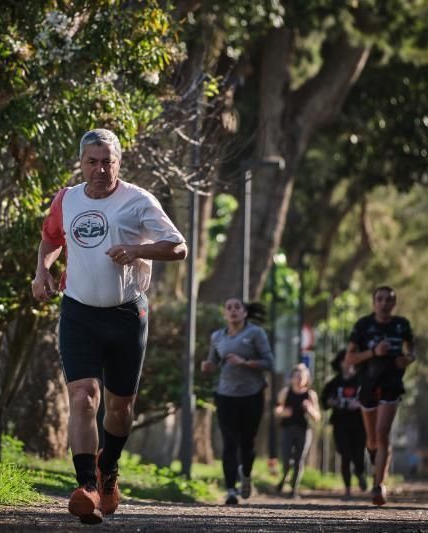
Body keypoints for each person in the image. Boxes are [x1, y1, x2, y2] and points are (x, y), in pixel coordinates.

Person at [31, 128, 187, 524]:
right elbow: (51, 238)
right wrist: (42, 272)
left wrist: (137, 250)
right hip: (79, 311)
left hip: (125, 314)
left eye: (107, 161)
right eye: (92, 161)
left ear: (119, 162)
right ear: (81, 163)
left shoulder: (137, 201)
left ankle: (108, 469)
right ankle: (85, 487)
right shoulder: (67, 199)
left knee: (120, 406)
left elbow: (178, 246)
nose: (100, 169)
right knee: (83, 397)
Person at [344, 285, 416, 506]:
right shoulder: (363, 325)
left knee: (382, 433)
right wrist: (374, 352)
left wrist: (408, 358)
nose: (384, 303)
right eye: (380, 299)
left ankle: (378, 485)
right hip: (368, 384)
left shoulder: (401, 325)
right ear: (374, 303)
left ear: (394, 303)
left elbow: (412, 349)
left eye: (388, 300)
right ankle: (376, 460)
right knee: (373, 439)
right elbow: (350, 358)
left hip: (391, 384)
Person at [200, 298, 274, 505]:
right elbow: (213, 362)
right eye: (229, 308)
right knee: (229, 442)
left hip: (252, 394)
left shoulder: (255, 333)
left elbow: (270, 362)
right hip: (225, 395)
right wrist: (207, 366)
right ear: (225, 314)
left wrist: (245, 362)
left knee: (247, 442)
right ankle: (231, 490)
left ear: (245, 312)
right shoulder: (217, 337)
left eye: (237, 307)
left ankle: (247, 475)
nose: (233, 311)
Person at [321, 349, 367, 499]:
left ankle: (360, 473)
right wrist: (331, 402)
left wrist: (360, 404)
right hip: (340, 423)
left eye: (350, 360)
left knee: (358, 455)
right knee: (345, 454)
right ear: (339, 363)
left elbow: (372, 400)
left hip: (359, 424)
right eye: (344, 361)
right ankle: (347, 489)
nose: (347, 364)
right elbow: (324, 401)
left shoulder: (362, 381)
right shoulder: (334, 383)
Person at [274, 363, 321, 499]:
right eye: (297, 376)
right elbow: (277, 409)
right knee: (287, 459)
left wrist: (310, 409)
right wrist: (283, 412)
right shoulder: (285, 392)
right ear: (292, 378)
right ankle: (284, 479)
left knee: (299, 460)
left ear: (307, 378)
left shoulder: (310, 395)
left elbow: (317, 417)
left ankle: (293, 489)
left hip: (304, 430)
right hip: (287, 429)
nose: (300, 379)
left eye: (303, 376)